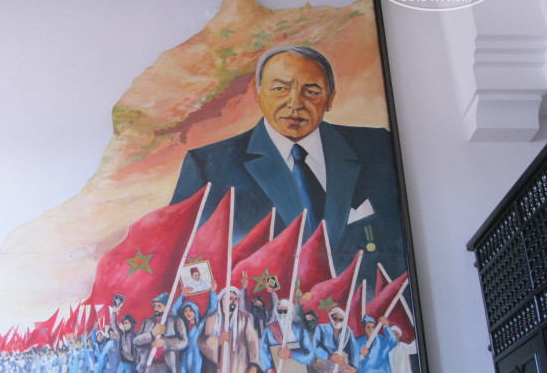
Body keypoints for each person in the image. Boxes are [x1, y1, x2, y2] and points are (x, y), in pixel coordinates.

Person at [171, 45, 406, 287]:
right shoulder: (208, 166)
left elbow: (400, 247)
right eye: (280, 89)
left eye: (311, 92)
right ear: (258, 93)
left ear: (330, 98)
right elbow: (185, 260)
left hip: (364, 304)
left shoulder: (377, 147)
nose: (295, 104)